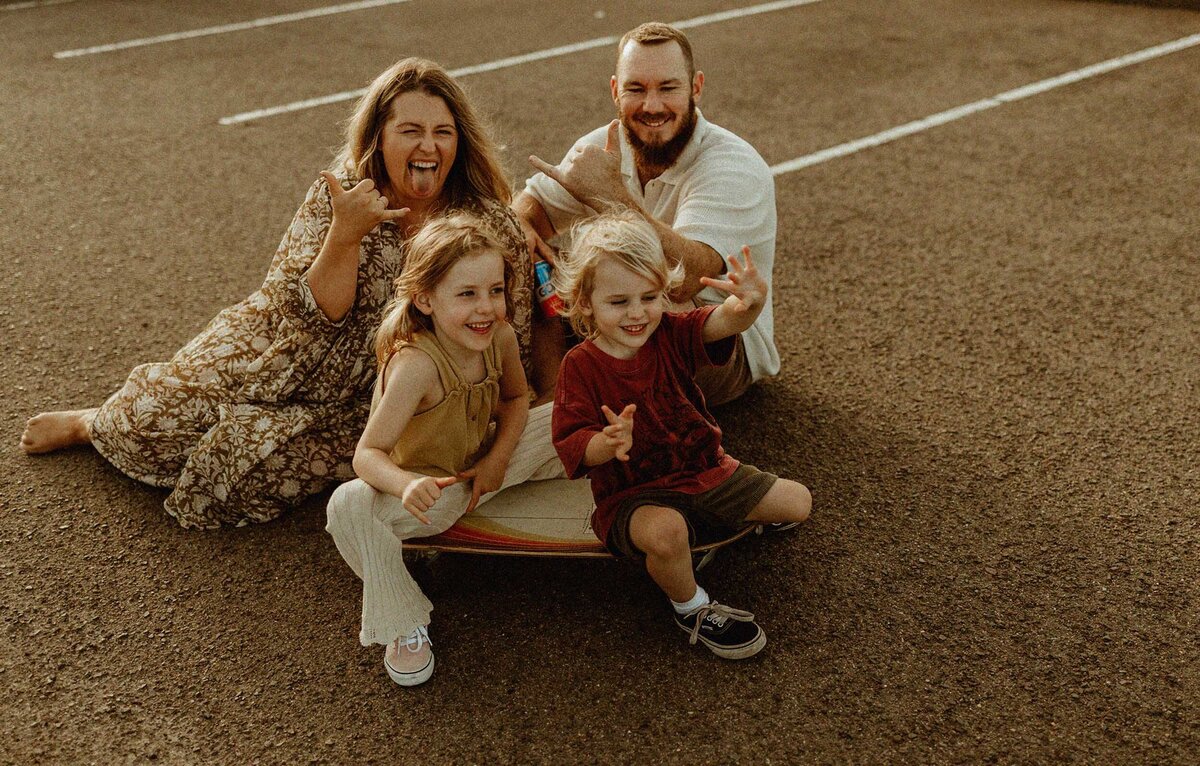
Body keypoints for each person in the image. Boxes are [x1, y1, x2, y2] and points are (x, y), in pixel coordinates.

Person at [18, 58, 533, 529]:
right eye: (411, 131)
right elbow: (303, 316)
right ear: (379, 136)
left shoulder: (486, 223)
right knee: (147, 424)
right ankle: (93, 424)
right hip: (278, 353)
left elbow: (509, 332)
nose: (428, 147)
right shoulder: (341, 193)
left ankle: (233, 436)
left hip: (379, 398)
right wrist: (345, 233)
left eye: (443, 132)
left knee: (242, 470)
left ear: (459, 141)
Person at [550, 210, 810, 660]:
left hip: (706, 471)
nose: (637, 313)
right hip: (635, 495)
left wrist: (749, 303)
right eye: (619, 302)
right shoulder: (580, 365)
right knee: (667, 534)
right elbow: (572, 442)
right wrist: (606, 444)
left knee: (799, 503)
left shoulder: (669, 331)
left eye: (649, 296)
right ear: (585, 302)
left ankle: (703, 534)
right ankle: (692, 607)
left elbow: (724, 322)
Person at [324, 213, 563, 687]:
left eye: (495, 291)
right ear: (425, 299)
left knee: (568, 416)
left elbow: (517, 399)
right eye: (467, 294)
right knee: (347, 504)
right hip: (434, 494)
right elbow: (367, 454)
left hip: (486, 467)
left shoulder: (500, 336)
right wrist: (406, 484)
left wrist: (496, 460)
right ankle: (402, 619)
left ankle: (625, 481)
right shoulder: (416, 365)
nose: (487, 307)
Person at [516, 21, 778, 406]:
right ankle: (552, 395)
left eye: (668, 88)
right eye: (636, 89)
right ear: (614, 91)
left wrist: (612, 197)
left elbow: (686, 279)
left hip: (713, 335)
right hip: (623, 312)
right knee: (514, 264)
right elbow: (530, 205)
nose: (652, 106)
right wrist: (521, 225)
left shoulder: (733, 165)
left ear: (695, 87)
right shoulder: (605, 144)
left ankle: (573, 414)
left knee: (655, 312)